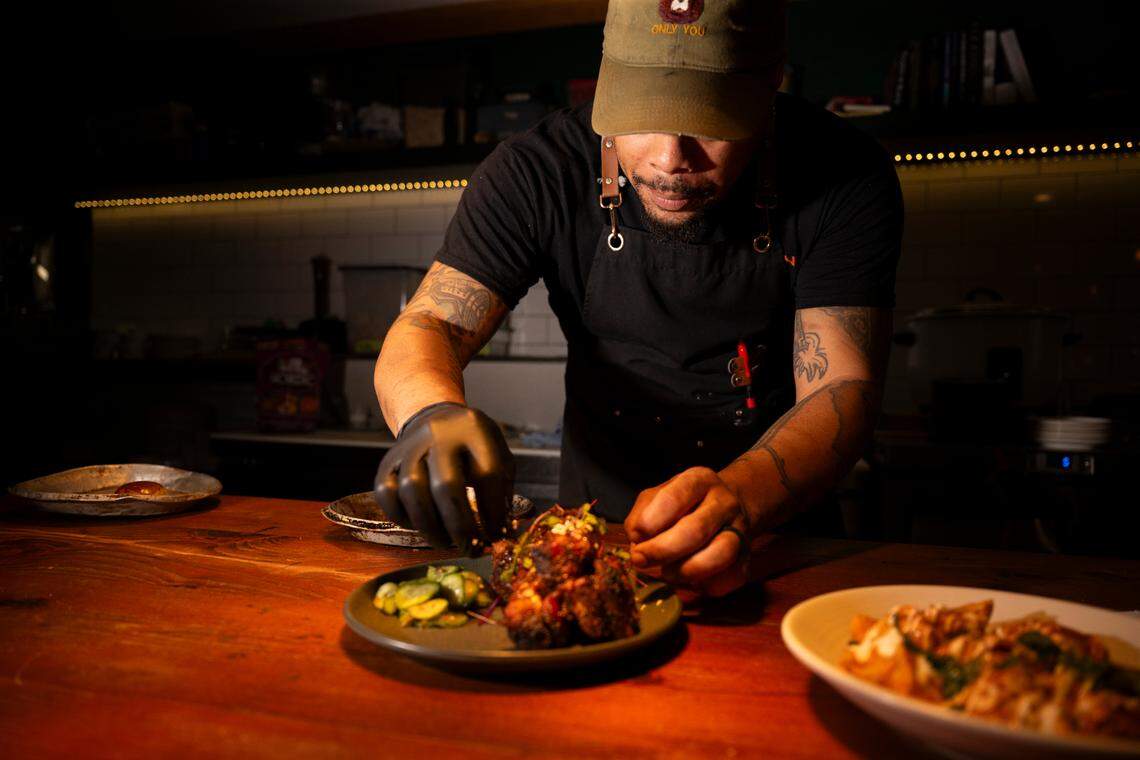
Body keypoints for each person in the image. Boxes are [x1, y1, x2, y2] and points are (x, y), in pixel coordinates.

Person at [373, 0, 902, 597]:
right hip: (592, 530)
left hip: (777, 531)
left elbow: (841, 386)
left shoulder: (846, 174)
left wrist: (743, 498)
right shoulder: (534, 172)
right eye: (640, 115)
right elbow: (433, 320)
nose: (669, 160)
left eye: (710, 120)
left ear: (769, 88)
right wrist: (430, 413)